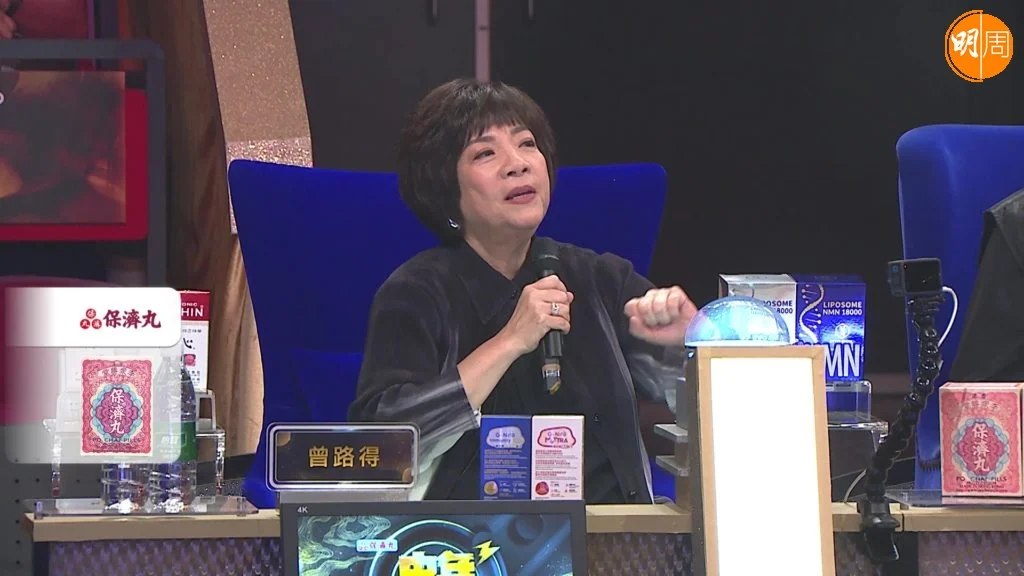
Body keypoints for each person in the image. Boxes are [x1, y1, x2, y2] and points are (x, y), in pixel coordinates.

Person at [349, 78, 697, 503]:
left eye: (527, 144)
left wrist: (687, 344)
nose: (517, 164)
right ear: (444, 188)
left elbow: (695, 409)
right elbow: (383, 446)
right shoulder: (415, 293)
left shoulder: (601, 278)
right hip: (468, 538)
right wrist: (509, 341)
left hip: (613, 532)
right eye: (485, 153)